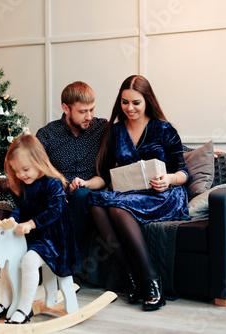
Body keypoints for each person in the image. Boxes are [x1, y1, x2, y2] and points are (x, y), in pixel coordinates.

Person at [86, 75, 191, 311]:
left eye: (136, 103)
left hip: (163, 195)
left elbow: (183, 172)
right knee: (94, 203)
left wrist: (169, 179)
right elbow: (105, 176)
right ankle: (131, 275)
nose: (130, 108)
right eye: (125, 102)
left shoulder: (163, 129)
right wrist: (83, 183)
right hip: (130, 193)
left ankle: (151, 279)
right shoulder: (115, 132)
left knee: (116, 208)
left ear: (147, 102)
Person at [0, 134, 80, 324]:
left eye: (25, 169)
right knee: (7, 257)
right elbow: (21, 208)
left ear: (39, 161)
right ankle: (5, 301)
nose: (21, 175)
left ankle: (25, 308)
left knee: (28, 261)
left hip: (54, 240)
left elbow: (55, 211)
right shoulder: (26, 184)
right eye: (16, 171)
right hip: (33, 238)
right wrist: (12, 220)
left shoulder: (53, 183)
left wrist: (31, 223)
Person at [36, 81, 107, 246]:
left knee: (83, 194)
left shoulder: (102, 128)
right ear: (66, 108)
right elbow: (36, 170)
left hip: (93, 195)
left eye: (91, 109)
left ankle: (66, 252)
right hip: (61, 201)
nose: (89, 116)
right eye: (82, 111)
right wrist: (56, 193)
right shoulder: (47, 134)